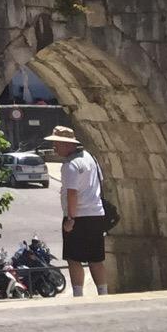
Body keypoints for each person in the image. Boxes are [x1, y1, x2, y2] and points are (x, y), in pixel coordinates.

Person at [46, 125, 111, 298]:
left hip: (78, 216)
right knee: (96, 259)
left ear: (67, 145)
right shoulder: (90, 158)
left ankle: (78, 294)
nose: (54, 147)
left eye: (57, 143)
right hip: (96, 214)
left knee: (74, 258)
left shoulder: (70, 165)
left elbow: (72, 193)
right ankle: (103, 293)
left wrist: (70, 218)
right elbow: (100, 182)